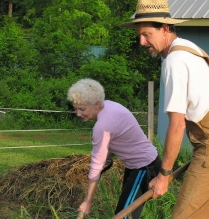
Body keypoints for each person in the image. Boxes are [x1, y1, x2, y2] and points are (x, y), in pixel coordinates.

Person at [119, 0, 209, 218]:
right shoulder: (190, 49)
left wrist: (164, 175)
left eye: (146, 34)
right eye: (139, 35)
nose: (141, 42)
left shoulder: (174, 62)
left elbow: (177, 125)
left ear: (165, 29)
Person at [67, 78, 161, 218]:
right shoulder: (110, 106)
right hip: (137, 165)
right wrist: (108, 155)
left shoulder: (102, 126)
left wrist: (88, 201)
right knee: (125, 213)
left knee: (123, 215)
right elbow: (119, 137)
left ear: (97, 104)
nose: (78, 114)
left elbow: (96, 166)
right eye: (76, 109)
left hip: (144, 166)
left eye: (82, 109)